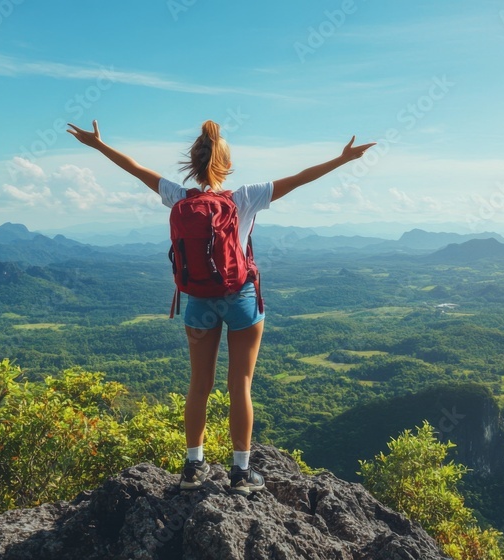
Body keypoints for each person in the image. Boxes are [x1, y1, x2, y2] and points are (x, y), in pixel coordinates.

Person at [68, 119, 374, 495]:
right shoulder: (245, 197)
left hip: (197, 300)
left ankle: (193, 469)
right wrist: (342, 159)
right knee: (239, 385)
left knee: (199, 385)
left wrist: (99, 145)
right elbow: (300, 178)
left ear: (193, 165)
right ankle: (241, 474)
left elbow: (136, 169)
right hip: (241, 297)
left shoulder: (179, 198)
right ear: (226, 164)